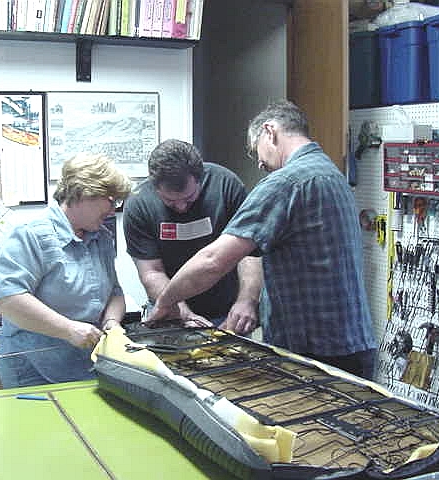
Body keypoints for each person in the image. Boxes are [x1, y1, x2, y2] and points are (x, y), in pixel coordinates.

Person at [148, 101, 378, 380]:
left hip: (315, 354)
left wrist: (166, 301)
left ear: (270, 132)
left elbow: (213, 261)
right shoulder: (331, 173)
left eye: (255, 150)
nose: (258, 162)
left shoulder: (286, 183)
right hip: (354, 344)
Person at [0, 152, 131, 388]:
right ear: (85, 193)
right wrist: (69, 329)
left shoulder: (102, 238)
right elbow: (8, 299)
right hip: (33, 369)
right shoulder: (31, 235)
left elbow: (114, 292)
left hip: (83, 364)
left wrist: (111, 323)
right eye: (111, 200)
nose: (113, 210)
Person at [123, 139, 262, 335]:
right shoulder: (139, 204)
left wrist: (247, 300)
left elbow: (249, 252)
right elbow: (152, 272)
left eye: (189, 198)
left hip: (227, 310)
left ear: (200, 179)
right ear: (155, 187)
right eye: (170, 201)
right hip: (172, 312)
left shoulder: (225, 185)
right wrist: (184, 313)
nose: (181, 207)